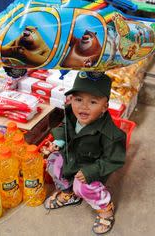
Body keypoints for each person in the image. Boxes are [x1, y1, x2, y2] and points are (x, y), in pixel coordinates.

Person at [43, 72, 126, 235]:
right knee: (54, 161)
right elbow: (62, 127)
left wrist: (92, 171)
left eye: (93, 102)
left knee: (82, 186)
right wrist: (58, 142)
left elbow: (114, 159)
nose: (83, 106)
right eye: (78, 99)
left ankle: (105, 207)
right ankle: (69, 193)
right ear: (70, 99)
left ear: (105, 106)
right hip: (72, 159)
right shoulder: (71, 115)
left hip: (91, 168)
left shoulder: (110, 134)